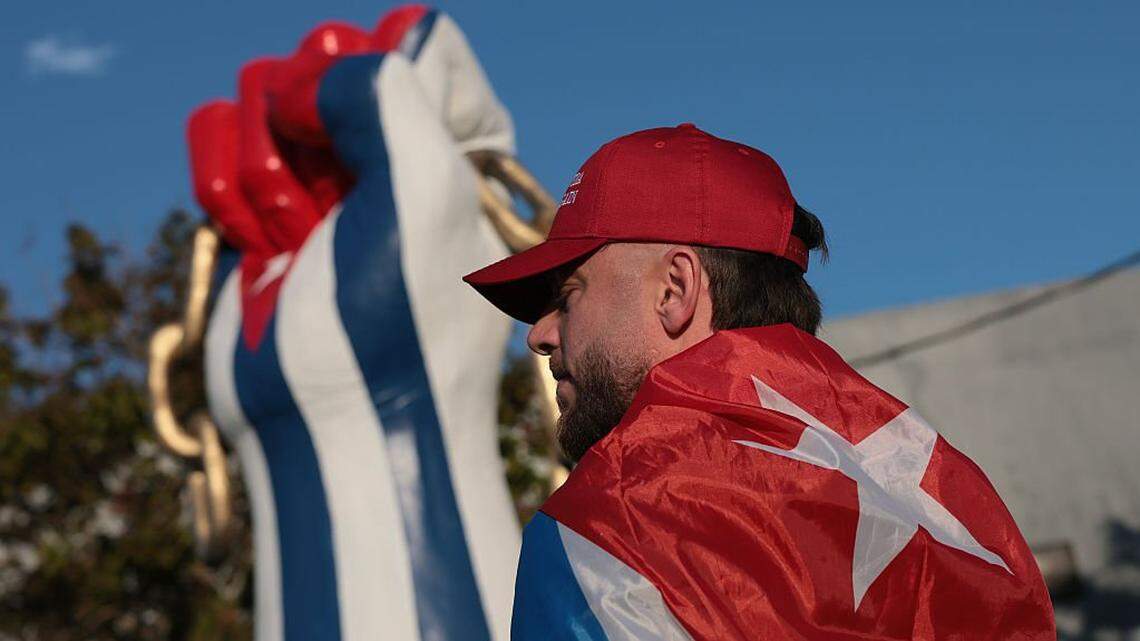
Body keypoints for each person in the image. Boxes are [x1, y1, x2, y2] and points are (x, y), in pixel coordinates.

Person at [463, 124, 1055, 640]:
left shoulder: (607, 529)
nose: (539, 334)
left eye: (567, 297)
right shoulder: (949, 505)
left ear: (675, 290)